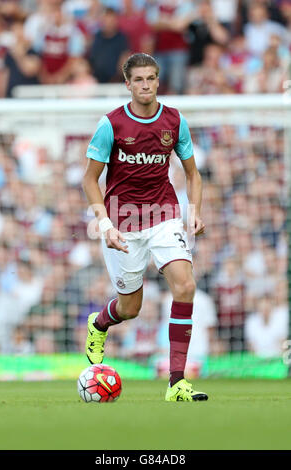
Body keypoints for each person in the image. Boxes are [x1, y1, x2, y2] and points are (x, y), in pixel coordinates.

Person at [82, 52, 208, 402]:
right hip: (121, 222)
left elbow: (192, 173)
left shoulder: (174, 121)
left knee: (185, 286)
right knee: (130, 309)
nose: (146, 85)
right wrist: (105, 224)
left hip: (164, 215)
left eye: (151, 78)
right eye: (138, 79)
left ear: (157, 80)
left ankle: (177, 383)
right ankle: (99, 324)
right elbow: (89, 179)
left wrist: (193, 210)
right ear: (128, 84)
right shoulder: (111, 124)